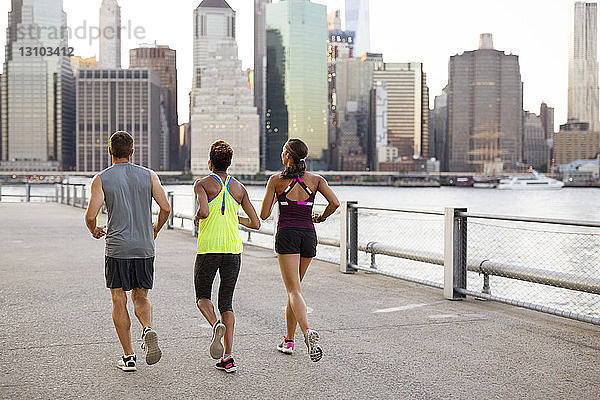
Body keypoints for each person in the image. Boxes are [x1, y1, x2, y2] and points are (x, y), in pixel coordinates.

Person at [84, 131, 171, 372]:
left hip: (117, 248)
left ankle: (129, 356)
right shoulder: (149, 175)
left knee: (118, 298)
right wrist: (156, 228)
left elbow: (91, 215)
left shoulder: (102, 178)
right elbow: (165, 207)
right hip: (144, 247)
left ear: (109, 151)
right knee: (141, 297)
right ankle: (147, 328)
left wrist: (94, 230)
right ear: (132, 152)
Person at [260, 138, 340, 362]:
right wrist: (320, 218)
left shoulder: (276, 180)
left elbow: (264, 214)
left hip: (287, 235)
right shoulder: (316, 180)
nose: (281, 154)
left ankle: (307, 333)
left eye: (283, 151)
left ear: (287, 156)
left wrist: (278, 198)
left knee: (293, 291)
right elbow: (334, 203)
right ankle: (288, 340)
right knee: (295, 291)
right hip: (308, 235)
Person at [193, 140, 260, 373]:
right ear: (229, 164)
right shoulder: (240, 188)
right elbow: (256, 223)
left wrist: (196, 217)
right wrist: (235, 219)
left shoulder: (202, 184)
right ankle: (229, 358)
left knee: (203, 298)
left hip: (209, 248)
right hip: (233, 249)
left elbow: (203, 211)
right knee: (227, 303)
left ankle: (215, 326)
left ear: (210, 163)